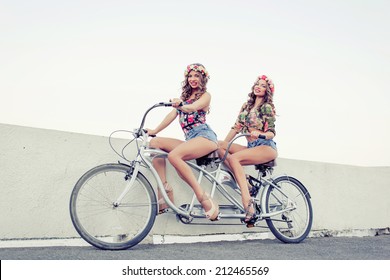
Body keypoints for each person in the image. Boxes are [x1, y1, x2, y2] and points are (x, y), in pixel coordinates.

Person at [147, 63, 220, 220]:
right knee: (154, 143)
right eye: (190, 76)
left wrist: (182, 105)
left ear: (203, 78)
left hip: (204, 137)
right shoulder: (185, 98)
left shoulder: (206, 96)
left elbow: (193, 108)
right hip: (190, 139)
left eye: (196, 76)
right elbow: (171, 116)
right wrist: (154, 131)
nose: (192, 79)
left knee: (174, 156)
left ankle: (203, 197)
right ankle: (164, 189)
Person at [218, 74, 277, 226]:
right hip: (250, 147)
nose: (259, 86)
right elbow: (236, 128)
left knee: (233, 158)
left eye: (263, 85)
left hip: (265, 147)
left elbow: (271, 133)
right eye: (257, 84)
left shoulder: (267, 107)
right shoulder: (246, 106)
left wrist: (261, 134)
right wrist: (225, 144)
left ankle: (247, 202)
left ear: (268, 91)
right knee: (218, 146)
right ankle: (248, 184)